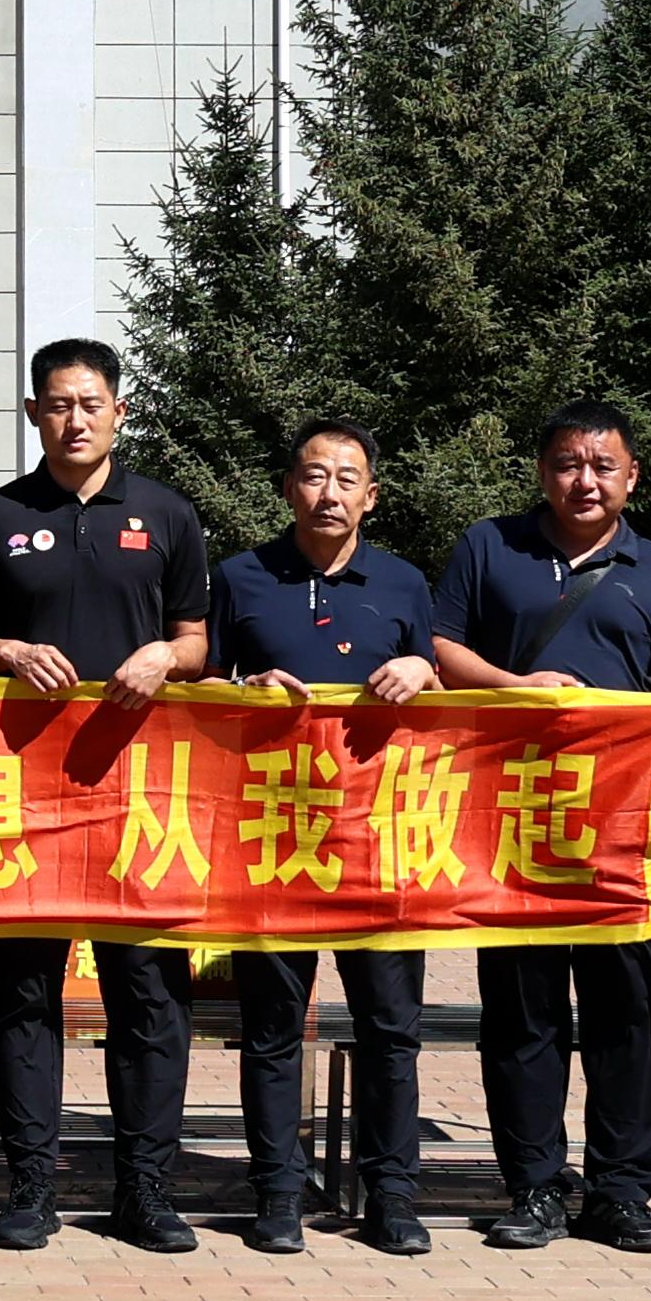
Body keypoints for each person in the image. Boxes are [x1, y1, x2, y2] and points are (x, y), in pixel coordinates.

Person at [0, 337, 215, 1254]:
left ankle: (145, 1189)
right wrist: (7, 649)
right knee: (22, 988)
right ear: (33, 413)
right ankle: (29, 1184)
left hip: (139, 791)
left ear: (119, 411)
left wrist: (164, 655)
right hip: (24, 788)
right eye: (57, 404)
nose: (75, 419)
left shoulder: (167, 513)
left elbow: (197, 641)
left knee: (149, 991)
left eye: (91, 403)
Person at [429, 397, 651, 1256]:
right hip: (512, 824)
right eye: (566, 463)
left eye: (602, 465)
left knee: (630, 1017)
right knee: (522, 1016)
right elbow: (441, 650)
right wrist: (518, 687)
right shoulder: (489, 547)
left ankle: (622, 1190)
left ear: (631, 475)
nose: (583, 480)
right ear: (542, 470)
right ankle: (534, 1185)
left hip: (622, 833)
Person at [208, 416, 440, 1258]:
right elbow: (199, 689)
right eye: (313, 475)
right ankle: (276, 1190)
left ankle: (391, 1195)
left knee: (389, 1027)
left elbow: (441, 699)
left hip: (381, 840)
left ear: (370, 496)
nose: (329, 492)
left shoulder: (404, 583)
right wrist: (241, 685)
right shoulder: (239, 576)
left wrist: (423, 667)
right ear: (288, 488)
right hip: (276, 835)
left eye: (347, 478)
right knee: (274, 1026)